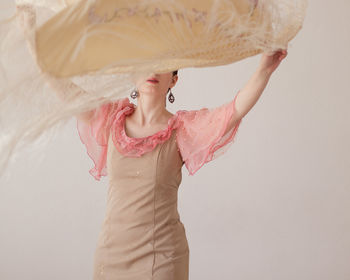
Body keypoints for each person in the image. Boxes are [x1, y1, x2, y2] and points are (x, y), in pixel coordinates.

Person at [75, 49, 287, 279]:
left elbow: (232, 112)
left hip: (161, 258)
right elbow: (67, 95)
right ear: (131, 74)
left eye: (162, 64)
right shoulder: (112, 118)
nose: (153, 70)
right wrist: (35, 41)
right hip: (111, 255)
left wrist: (264, 69)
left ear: (173, 79)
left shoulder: (181, 130)